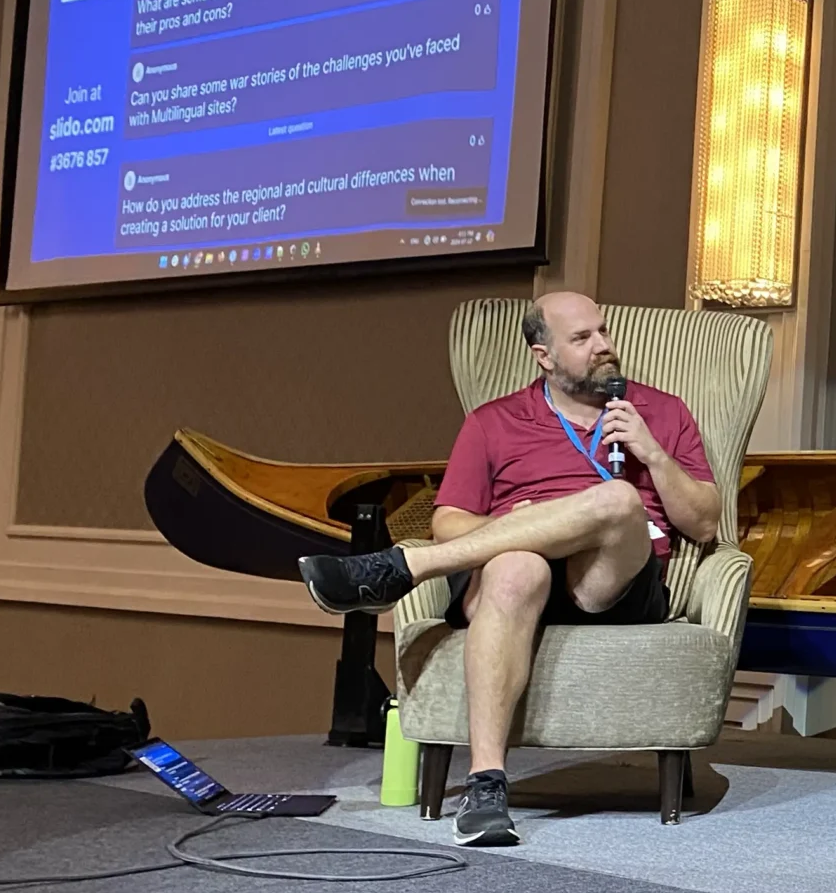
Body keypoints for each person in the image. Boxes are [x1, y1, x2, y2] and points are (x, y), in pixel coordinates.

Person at [296, 291, 720, 848]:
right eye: (582, 338)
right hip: (521, 581)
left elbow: (707, 524)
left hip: (614, 583)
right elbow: (449, 521)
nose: (604, 347)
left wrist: (654, 453)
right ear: (543, 355)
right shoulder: (494, 422)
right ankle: (486, 786)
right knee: (515, 566)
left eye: (603, 331)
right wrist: (514, 525)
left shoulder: (661, 412)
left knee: (619, 500)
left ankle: (406, 567)